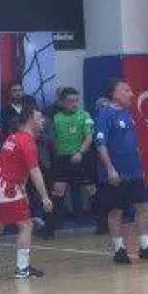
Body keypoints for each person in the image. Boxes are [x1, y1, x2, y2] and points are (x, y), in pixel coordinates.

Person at [0, 104, 55, 279]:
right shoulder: (27, 142)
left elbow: (18, 168)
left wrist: (24, 192)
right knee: (26, 225)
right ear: (30, 120)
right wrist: (45, 197)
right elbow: (34, 171)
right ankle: (22, 269)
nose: (43, 121)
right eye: (39, 118)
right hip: (6, 188)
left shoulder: (12, 138)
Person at [95, 79, 148, 265]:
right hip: (115, 174)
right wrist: (110, 169)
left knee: (142, 206)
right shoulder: (105, 114)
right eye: (126, 90)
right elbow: (100, 144)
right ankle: (119, 250)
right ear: (114, 94)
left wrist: (139, 167)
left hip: (134, 171)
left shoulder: (127, 113)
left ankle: (145, 246)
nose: (131, 94)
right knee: (116, 211)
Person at [47, 87, 97, 235]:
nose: (74, 104)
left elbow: (89, 137)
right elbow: (52, 139)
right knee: (58, 192)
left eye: (76, 101)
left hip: (81, 157)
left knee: (92, 190)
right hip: (62, 160)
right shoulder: (56, 118)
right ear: (62, 102)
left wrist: (80, 152)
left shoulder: (85, 115)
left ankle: (103, 223)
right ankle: (50, 228)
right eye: (70, 101)